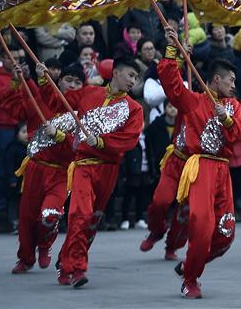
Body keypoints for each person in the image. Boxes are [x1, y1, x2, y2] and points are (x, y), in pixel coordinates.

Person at [157, 30, 241, 299]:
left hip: (223, 170)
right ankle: (191, 278)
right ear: (216, 79)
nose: (233, 85)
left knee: (226, 231)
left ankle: (190, 264)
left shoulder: (232, 106)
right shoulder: (195, 101)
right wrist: (172, 50)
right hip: (201, 168)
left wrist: (228, 120)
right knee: (201, 224)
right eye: (230, 80)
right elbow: (171, 84)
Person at [55, 56, 144, 288]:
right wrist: (48, 80)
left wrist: (102, 142)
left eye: (136, 77)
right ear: (116, 73)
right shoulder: (89, 93)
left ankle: (67, 260)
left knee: (91, 221)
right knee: (80, 215)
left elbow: (129, 139)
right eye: (131, 75)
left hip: (108, 169)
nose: (133, 81)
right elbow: (61, 98)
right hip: (84, 165)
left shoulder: (134, 109)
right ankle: (77, 269)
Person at [11, 63, 83, 273]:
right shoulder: (41, 99)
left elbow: (80, 145)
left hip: (61, 172)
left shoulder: (82, 113)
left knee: (50, 215)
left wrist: (60, 135)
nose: (72, 85)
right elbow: (17, 110)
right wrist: (19, 81)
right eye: (68, 80)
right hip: (35, 168)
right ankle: (25, 259)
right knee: (26, 218)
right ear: (58, 81)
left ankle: (44, 244)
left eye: (78, 82)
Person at [0, 43, 30, 222]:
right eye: (9, 58)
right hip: (4, 125)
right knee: (1, 164)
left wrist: (25, 79)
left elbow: (30, 96)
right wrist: (14, 80)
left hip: (21, 123)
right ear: (2, 59)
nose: (14, 61)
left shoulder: (20, 76)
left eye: (17, 58)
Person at [141, 99, 188, 261]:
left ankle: (172, 246)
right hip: (174, 162)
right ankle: (157, 230)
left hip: (196, 166)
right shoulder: (188, 102)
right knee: (160, 201)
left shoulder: (221, 106)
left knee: (185, 212)